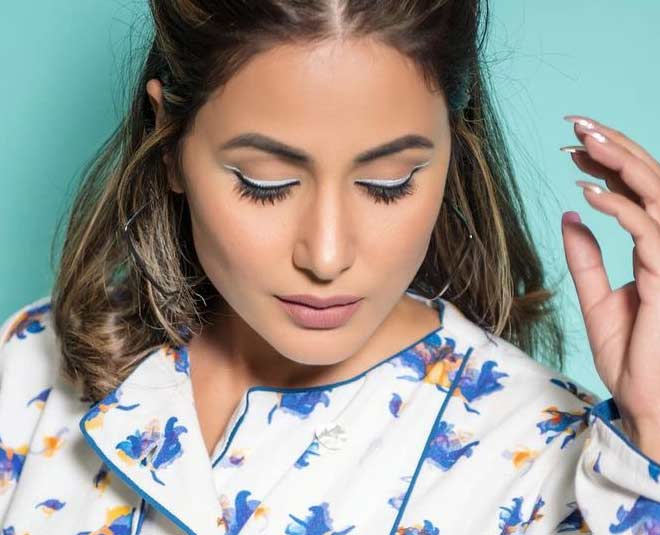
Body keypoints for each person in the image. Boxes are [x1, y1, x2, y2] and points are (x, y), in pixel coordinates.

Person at [1, 1, 658, 533]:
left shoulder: (572, 467)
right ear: (169, 140)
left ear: (452, 149)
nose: (326, 254)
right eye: (264, 182)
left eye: (388, 183)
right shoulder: (28, 368)